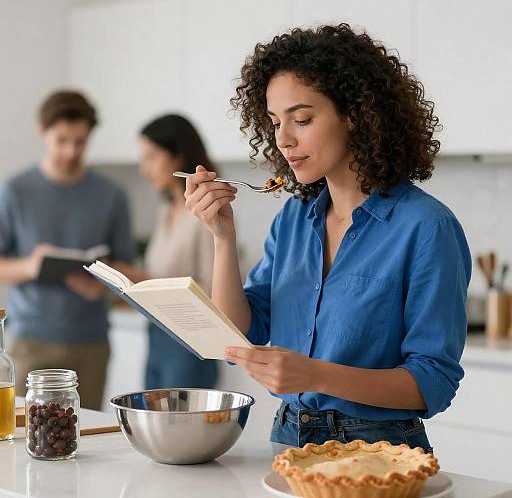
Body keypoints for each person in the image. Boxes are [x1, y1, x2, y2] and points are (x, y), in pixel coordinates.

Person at [182, 24, 471, 452]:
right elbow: (239, 331)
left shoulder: (427, 227)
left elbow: (433, 382)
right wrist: (222, 237)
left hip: (380, 450)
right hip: (289, 437)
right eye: (275, 122)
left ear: (354, 113)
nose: (283, 139)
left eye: (302, 119)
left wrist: (315, 375)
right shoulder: (294, 220)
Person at [0, 90, 134, 409]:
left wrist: (102, 285)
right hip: (29, 341)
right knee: (18, 438)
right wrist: (31, 266)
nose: (71, 151)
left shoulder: (112, 196)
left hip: (90, 343)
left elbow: (127, 271)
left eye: (80, 141)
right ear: (42, 132)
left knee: (82, 441)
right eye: (61, 140)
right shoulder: (15, 190)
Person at [130, 114, 219, 389]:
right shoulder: (166, 210)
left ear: (178, 157)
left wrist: (143, 281)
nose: (144, 169)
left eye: (151, 157)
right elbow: (159, 274)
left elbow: (215, 291)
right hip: (157, 336)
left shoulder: (207, 212)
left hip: (190, 344)